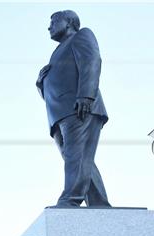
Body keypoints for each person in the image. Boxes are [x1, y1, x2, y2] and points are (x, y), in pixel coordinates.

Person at [36, 10, 110, 208]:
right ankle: (99, 203)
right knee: (79, 159)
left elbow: (92, 61)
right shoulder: (56, 53)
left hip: (79, 108)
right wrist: (41, 83)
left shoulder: (81, 35)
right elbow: (54, 89)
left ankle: (70, 199)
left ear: (68, 22)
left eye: (53, 21)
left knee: (76, 157)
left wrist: (86, 95)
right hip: (59, 115)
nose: (49, 26)